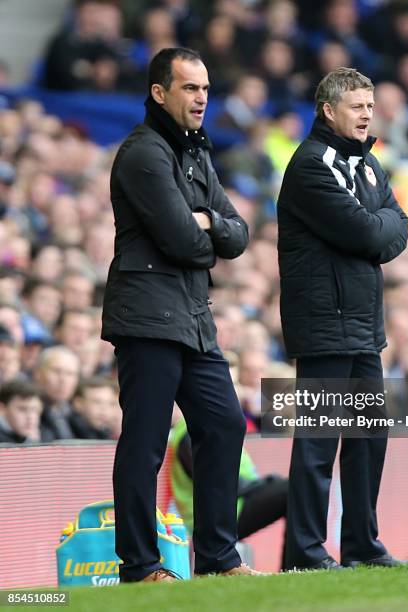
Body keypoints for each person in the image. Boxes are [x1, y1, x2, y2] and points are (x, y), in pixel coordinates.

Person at [101, 47, 257, 584]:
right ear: (159, 92)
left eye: (206, 89)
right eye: (190, 88)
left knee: (224, 423)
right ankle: (140, 567)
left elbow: (237, 234)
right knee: (145, 444)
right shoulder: (143, 154)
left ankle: (218, 558)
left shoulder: (196, 154)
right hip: (146, 317)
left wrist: (206, 222)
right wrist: (208, 231)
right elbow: (182, 241)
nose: (201, 99)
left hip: (191, 316)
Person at [277, 67, 408, 570]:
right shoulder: (311, 165)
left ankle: (361, 544)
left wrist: (380, 226)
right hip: (323, 322)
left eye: (370, 107)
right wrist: (380, 226)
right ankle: (307, 552)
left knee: (369, 438)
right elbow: (370, 234)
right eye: (357, 107)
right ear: (329, 111)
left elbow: (398, 227)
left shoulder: (369, 165)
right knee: (317, 444)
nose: (367, 115)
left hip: (362, 325)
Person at [169, 416, 288, 569]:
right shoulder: (191, 432)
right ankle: (295, 564)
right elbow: (215, 482)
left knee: (293, 489)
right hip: (218, 515)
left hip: (232, 506)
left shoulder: (207, 426)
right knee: (293, 490)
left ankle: (294, 564)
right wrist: (265, 484)